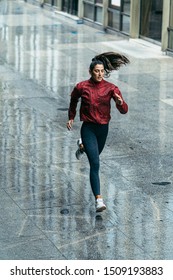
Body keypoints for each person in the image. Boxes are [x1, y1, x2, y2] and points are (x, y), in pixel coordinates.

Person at [67, 52, 129, 212]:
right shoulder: (82, 87)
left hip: (103, 129)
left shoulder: (111, 88)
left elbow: (124, 110)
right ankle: (99, 200)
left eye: (102, 71)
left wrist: (120, 103)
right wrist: (71, 117)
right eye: (96, 71)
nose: (100, 74)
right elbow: (73, 100)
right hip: (88, 128)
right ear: (90, 71)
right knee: (95, 163)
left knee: (95, 154)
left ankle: (82, 146)